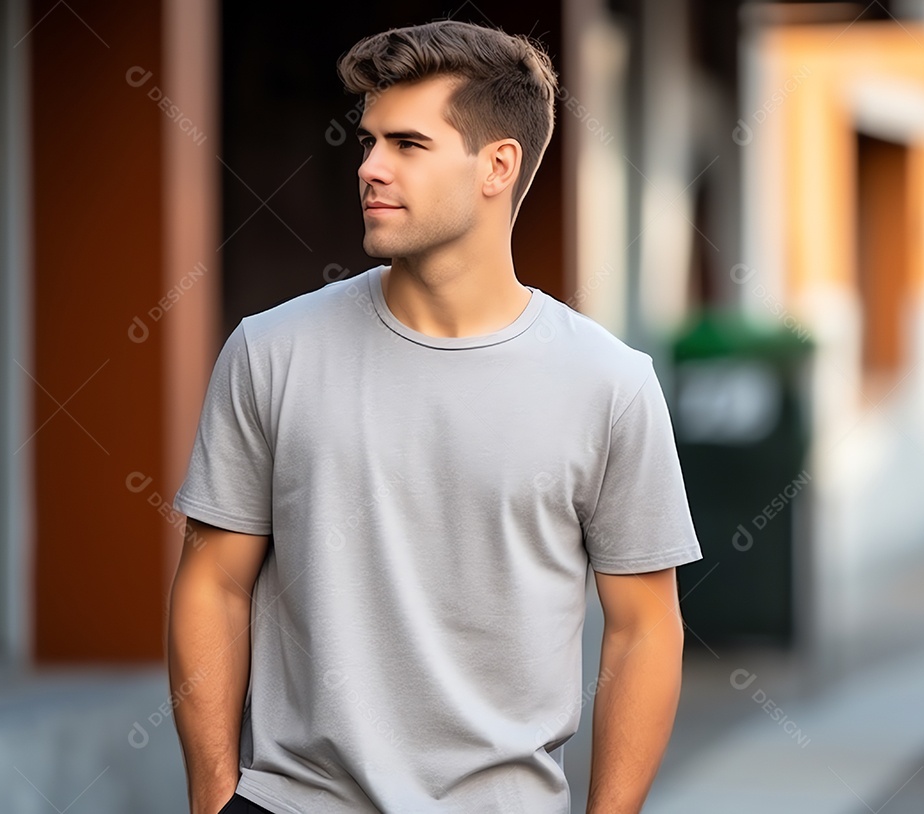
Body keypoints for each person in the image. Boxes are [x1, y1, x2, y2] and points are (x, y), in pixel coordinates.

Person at [167, 19, 702, 814]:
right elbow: (213, 583)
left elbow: (644, 629)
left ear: (498, 165)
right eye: (369, 141)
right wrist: (214, 798)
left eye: (408, 145)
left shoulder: (609, 385)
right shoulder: (270, 352)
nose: (370, 168)